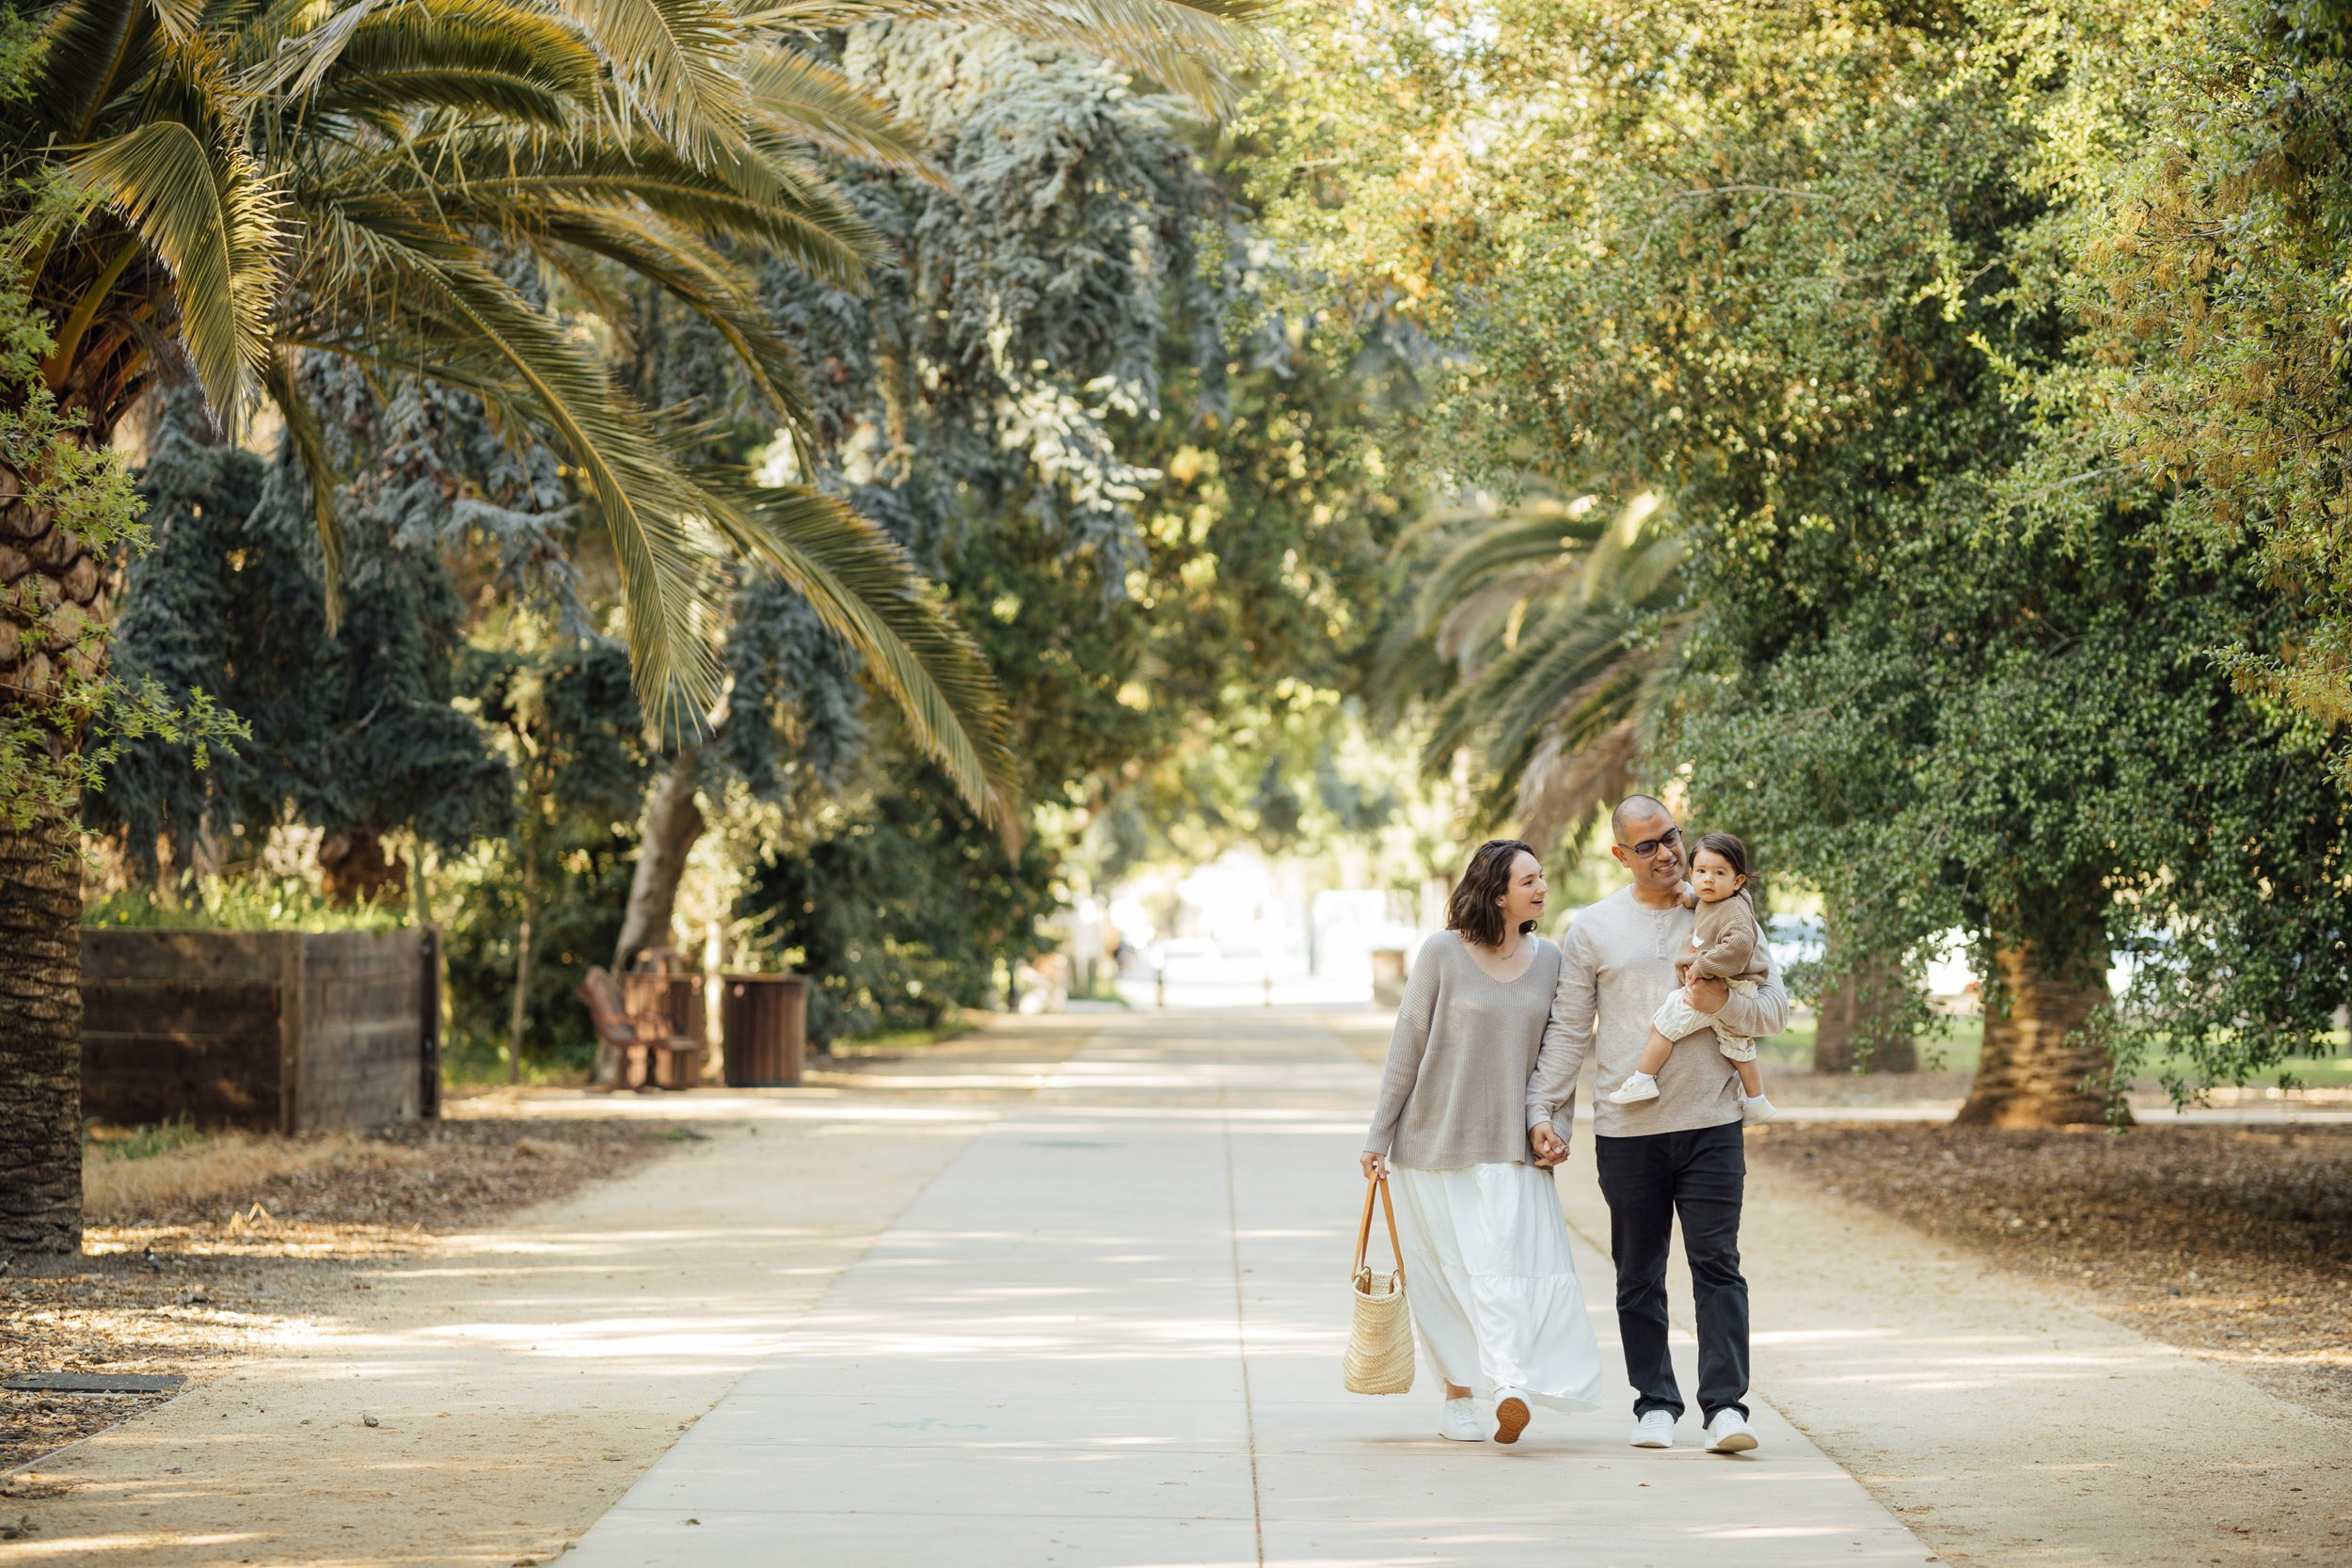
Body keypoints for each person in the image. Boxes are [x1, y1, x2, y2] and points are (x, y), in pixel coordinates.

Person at [1526, 797, 1789, 1455]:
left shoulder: (1726, 911)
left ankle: (1725, 1406)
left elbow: (1777, 1011)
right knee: (1638, 1273)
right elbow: (1567, 1031)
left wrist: (1722, 998)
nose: (1668, 852)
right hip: (1627, 1127)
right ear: (1621, 854)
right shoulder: (1592, 928)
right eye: (1649, 845)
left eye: (1672, 836)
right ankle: (1654, 1402)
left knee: (1717, 1264)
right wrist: (1542, 1111)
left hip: (1712, 1122)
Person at [1361, 840, 1606, 1446]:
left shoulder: (1550, 960)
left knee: (1506, 1267)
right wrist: (1378, 1135)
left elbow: (1561, 1055)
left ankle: (1510, 1382)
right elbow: (1407, 1045)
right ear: (1497, 893)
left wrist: (1554, 1127)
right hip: (1431, 1141)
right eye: (1529, 880)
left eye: (1542, 877)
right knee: (1446, 1273)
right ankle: (1460, 1397)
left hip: (1511, 1143)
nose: (1542, 888)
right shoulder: (1443, 953)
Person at [1608, 832, 1778, 1124]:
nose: (1708, 879)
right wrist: (1691, 897)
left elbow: (1737, 948)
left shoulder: (1735, 912)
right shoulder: (1719, 898)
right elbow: (1706, 900)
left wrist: (1702, 967)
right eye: (1701, 872)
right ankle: (1757, 1101)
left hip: (1718, 982)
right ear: (1692, 873)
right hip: (1739, 985)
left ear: (1737, 882)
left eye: (1719, 873)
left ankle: (1643, 1078)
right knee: (1736, 1045)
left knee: (1665, 1023)